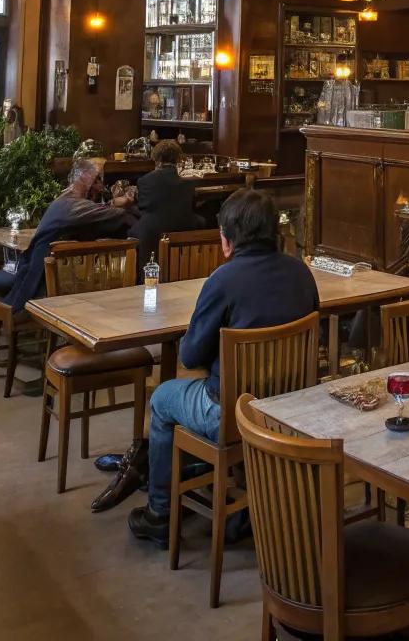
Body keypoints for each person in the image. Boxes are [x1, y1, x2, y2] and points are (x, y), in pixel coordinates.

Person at [127, 188, 319, 546]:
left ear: (226, 240)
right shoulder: (301, 273)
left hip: (232, 412)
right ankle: (223, 489)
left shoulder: (223, 280)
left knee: (164, 398)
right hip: (289, 407)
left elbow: (190, 356)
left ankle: (160, 512)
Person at [0, 156, 135, 315]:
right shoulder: (72, 204)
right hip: (42, 279)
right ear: (86, 180)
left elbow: (97, 210)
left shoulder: (66, 198)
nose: (101, 187)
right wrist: (124, 202)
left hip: (37, 268)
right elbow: (114, 214)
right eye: (97, 180)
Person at [129, 138, 203, 277]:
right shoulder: (189, 181)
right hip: (184, 225)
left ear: (156, 159)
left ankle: (139, 277)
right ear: (177, 158)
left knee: (133, 224)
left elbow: (142, 206)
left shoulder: (145, 180)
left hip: (153, 231)